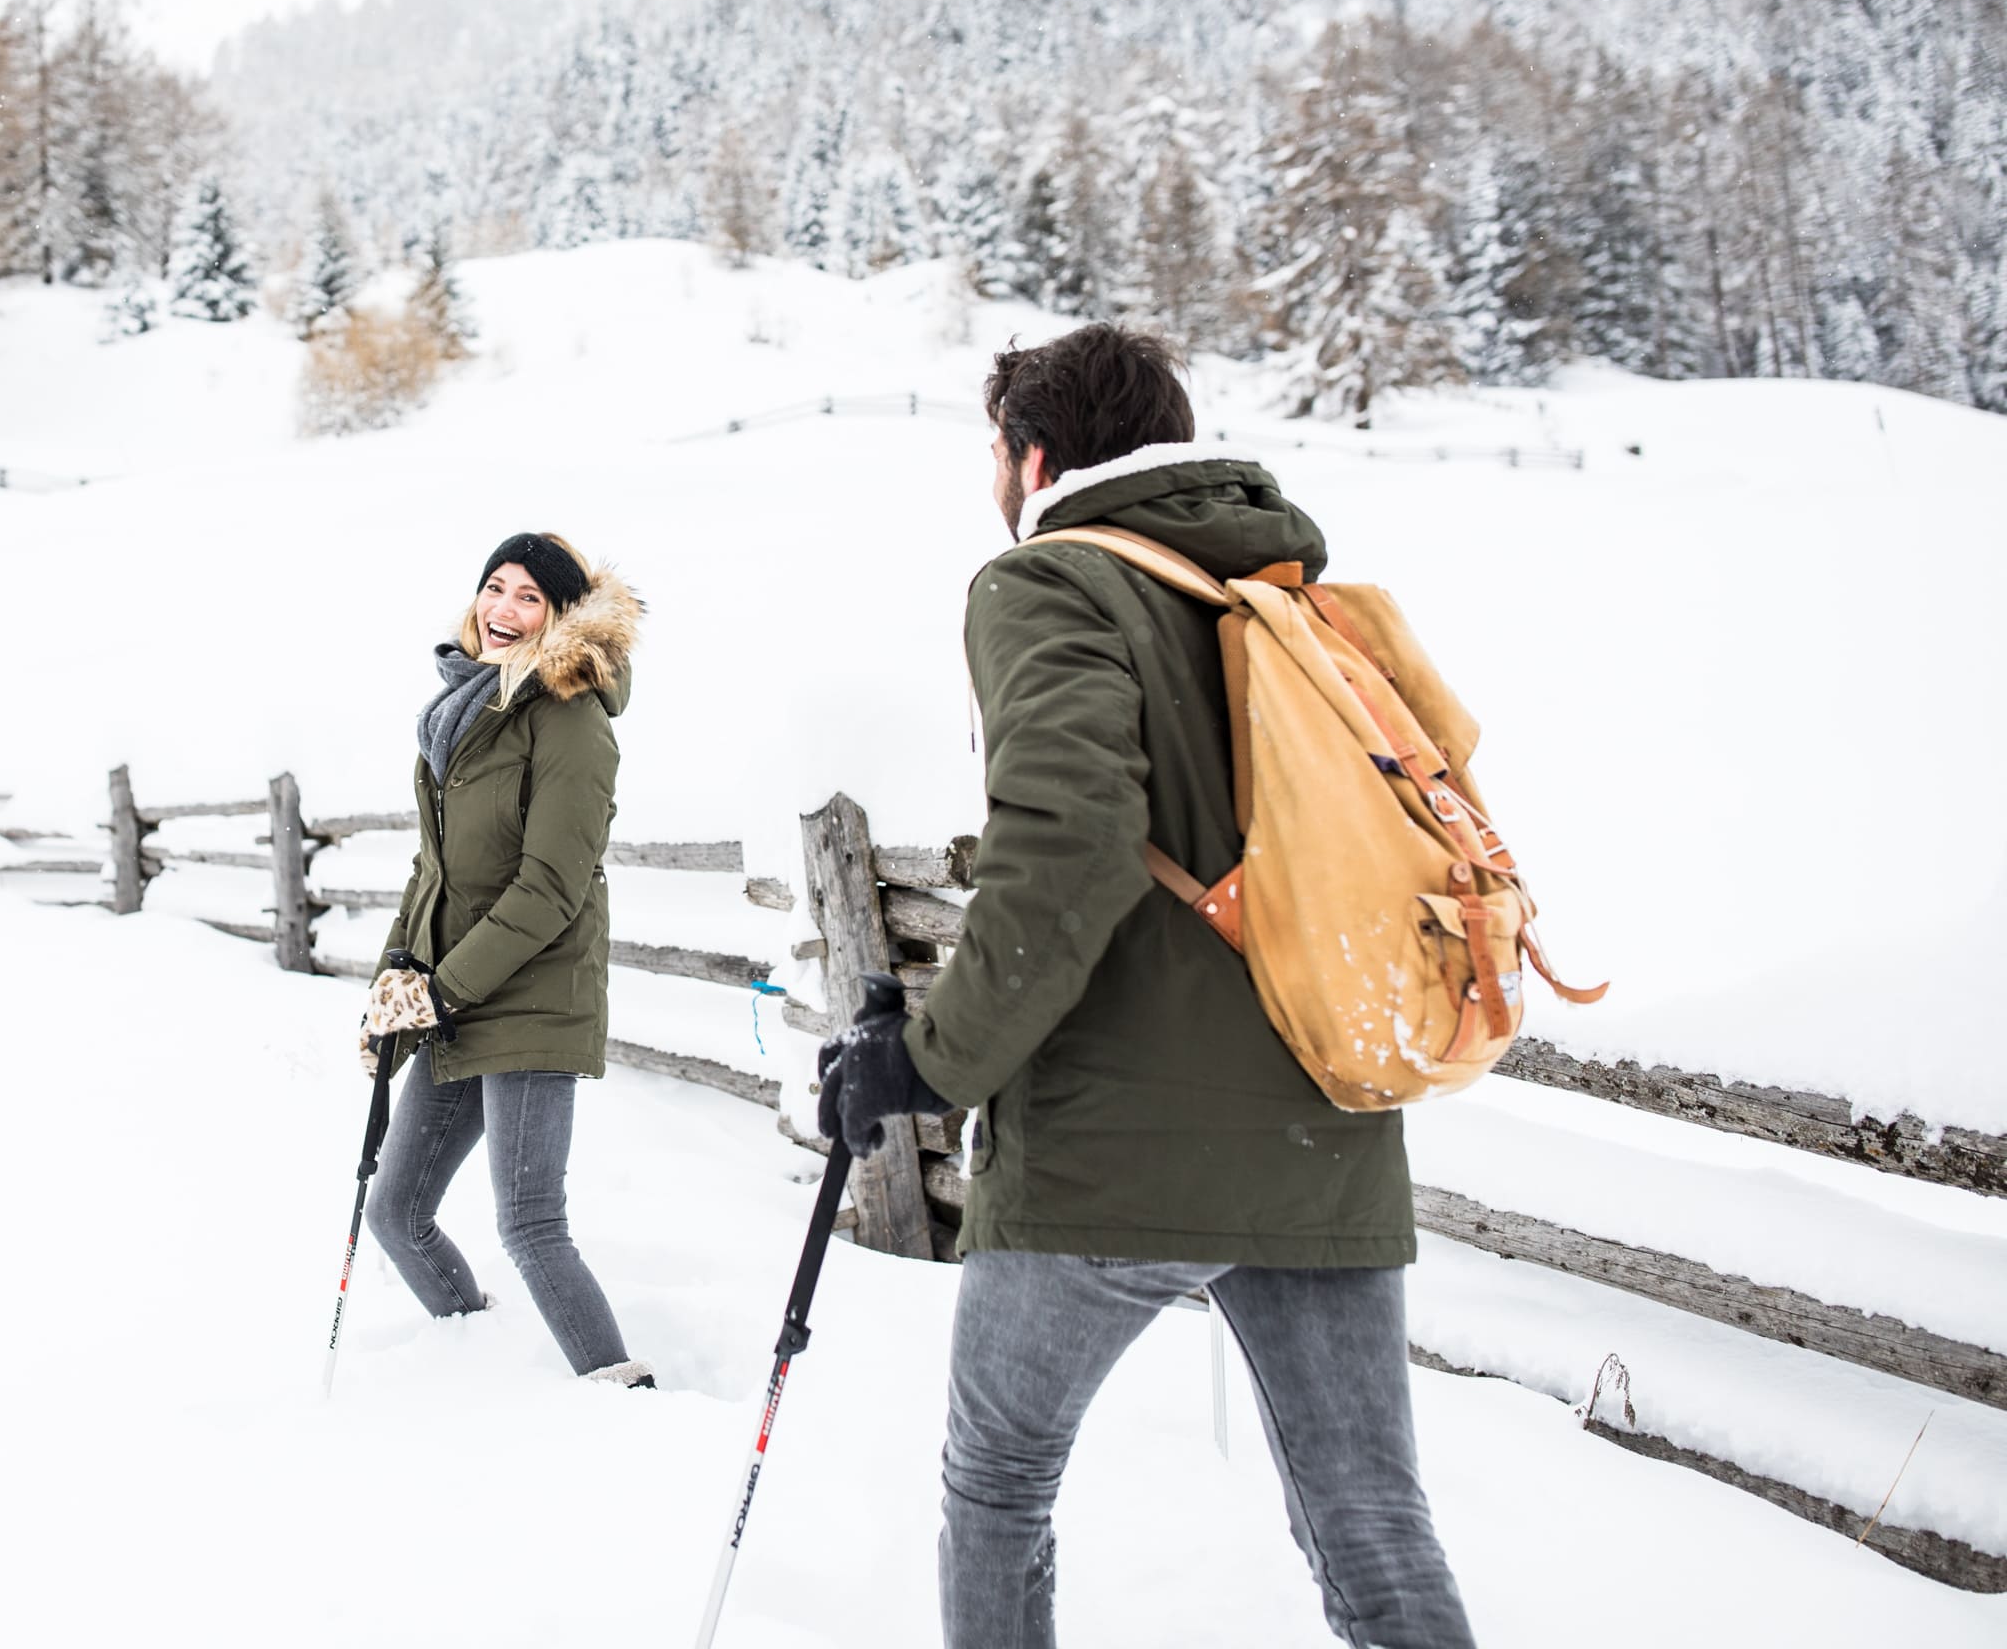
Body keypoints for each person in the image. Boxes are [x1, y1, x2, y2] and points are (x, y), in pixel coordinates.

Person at [813, 326, 1475, 1648]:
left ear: (1036, 457)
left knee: (998, 1489)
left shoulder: (1045, 581)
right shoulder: (1276, 586)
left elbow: (1070, 846)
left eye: (996, 454)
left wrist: (930, 1062)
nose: (995, 479)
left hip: (1111, 1157)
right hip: (1322, 1123)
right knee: (1374, 1535)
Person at [357, 532, 652, 1387]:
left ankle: (627, 1400)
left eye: (529, 597)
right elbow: (435, 872)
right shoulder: (467, 715)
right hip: (458, 995)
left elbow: (550, 888)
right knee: (396, 1212)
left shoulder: (571, 720)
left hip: (530, 997)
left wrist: (438, 995)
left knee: (529, 1223)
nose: (504, 610)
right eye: (495, 587)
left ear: (560, 617)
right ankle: (474, 1351)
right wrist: (392, 989)